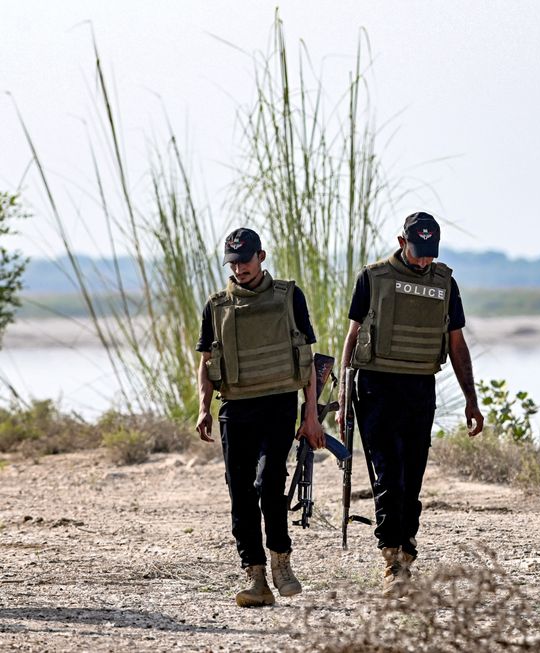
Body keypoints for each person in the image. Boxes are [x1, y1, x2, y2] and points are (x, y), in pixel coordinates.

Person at [336, 211, 484, 598]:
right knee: (388, 475)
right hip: (376, 387)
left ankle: (407, 548)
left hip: (419, 387)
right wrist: (342, 401)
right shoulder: (373, 278)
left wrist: (471, 400)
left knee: (412, 478)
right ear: (402, 242)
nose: (423, 261)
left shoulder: (445, 282)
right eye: (418, 252)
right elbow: (351, 339)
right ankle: (393, 562)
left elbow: (456, 344)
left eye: (429, 254)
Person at [195, 227, 324, 608]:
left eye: (245, 261)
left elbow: (307, 361)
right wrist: (204, 407)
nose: (239, 269)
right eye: (232, 263)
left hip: (279, 405)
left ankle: (281, 561)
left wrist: (311, 415)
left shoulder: (288, 297)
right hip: (236, 408)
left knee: (269, 481)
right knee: (240, 491)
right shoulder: (217, 305)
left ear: (261, 256)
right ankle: (256, 576)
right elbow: (205, 361)